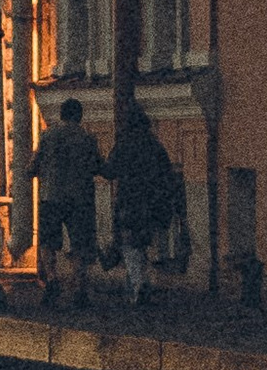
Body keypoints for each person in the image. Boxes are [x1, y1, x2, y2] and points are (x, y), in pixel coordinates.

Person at [32, 98, 102, 304]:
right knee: (80, 242)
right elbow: (98, 166)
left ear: (61, 115)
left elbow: (32, 167)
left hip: (50, 196)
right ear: (79, 116)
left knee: (47, 242)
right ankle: (79, 288)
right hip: (80, 198)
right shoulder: (87, 138)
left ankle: (52, 279)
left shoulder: (47, 136)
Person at [107, 102, 173, 306]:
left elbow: (110, 170)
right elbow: (167, 173)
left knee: (130, 244)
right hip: (153, 200)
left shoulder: (124, 144)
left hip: (129, 200)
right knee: (147, 242)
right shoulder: (155, 145)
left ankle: (138, 284)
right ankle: (147, 281)